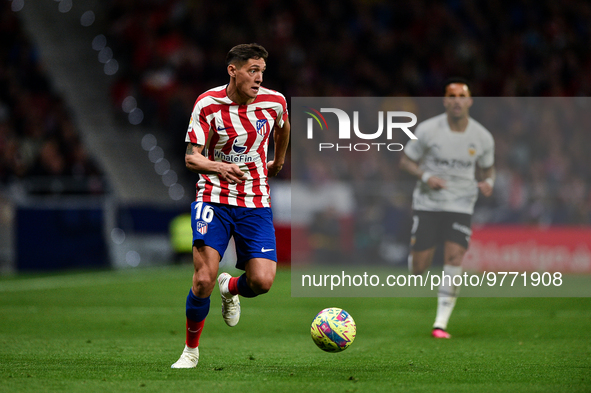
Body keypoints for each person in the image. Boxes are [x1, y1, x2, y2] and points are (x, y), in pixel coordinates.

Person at [171, 43, 290, 368]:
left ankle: (231, 286)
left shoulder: (274, 101)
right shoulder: (208, 104)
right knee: (203, 279)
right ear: (232, 70)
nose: (258, 78)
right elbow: (191, 157)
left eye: (262, 72)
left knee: (262, 282)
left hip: (254, 200)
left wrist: (277, 161)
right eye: (253, 70)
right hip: (213, 197)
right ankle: (190, 351)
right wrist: (219, 167)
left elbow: (283, 126)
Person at [399, 78, 495, 339]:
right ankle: (415, 255)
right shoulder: (428, 130)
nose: (456, 100)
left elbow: (488, 169)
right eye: (451, 95)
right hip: (429, 204)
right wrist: (426, 176)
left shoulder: (482, 137)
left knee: (454, 259)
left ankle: (440, 324)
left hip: (461, 205)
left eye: (461, 95)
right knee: (419, 268)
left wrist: (488, 182)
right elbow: (406, 161)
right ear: (444, 101)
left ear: (469, 101)